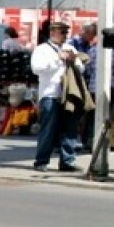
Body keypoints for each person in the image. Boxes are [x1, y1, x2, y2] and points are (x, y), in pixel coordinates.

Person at [30, 21, 82, 172]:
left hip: (68, 94)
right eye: (62, 32)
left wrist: (74, 61)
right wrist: (57, 59)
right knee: (48, 129)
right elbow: (36, 68)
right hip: (50, 94)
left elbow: (81, 67)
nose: (65, 36)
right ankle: (41, 161)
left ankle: (67, 161)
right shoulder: (42, 49)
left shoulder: (70, 48)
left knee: (69, 129)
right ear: (53, 33)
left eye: (67, 33)